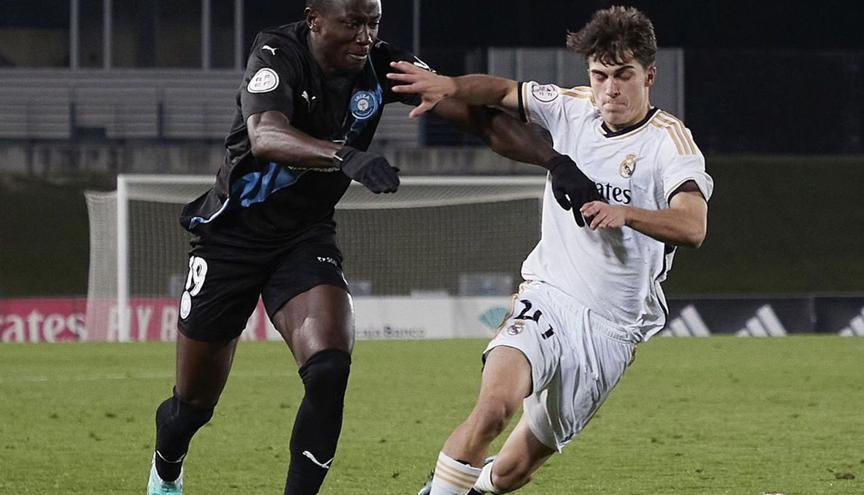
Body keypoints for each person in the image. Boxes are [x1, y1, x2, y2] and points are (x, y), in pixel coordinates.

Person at [145, 1, 601, 494]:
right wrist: (345, 157)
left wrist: (556, 162)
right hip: (231, 238)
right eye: (353, 23)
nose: (365, 36)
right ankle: (167, 467)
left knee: (329, 368)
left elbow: (480, 119)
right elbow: (265, 135)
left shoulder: (384, 65)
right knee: (191, 407)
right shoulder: (278, 52)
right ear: (315, 19)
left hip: (303, 239)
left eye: (374, 23)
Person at [388, 6, 714, 494]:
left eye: (623, 76)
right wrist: (450, 85)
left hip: (612, 329)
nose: (610, 90)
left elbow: (693, 226)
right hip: (548, 296)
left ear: (649, 76)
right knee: (493, 410)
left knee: (512, 473)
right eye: (600, 76)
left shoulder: (670, 143)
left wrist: (626, 213)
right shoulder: (573, 107)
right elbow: (501, 93)